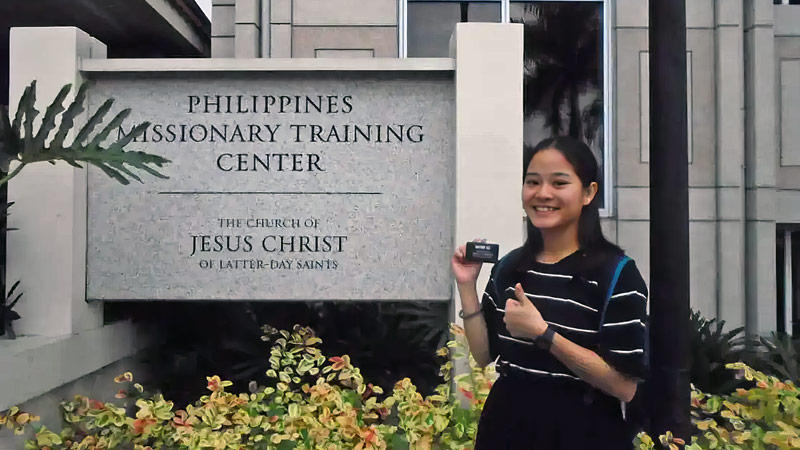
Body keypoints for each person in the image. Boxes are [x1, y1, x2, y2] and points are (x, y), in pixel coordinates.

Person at [451, 136, 649, 449]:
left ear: (588, 193)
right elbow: (483, 355)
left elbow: (623, 386)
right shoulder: (510, 267)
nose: (543, 194)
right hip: (507, 425)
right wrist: (466, 286)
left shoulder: (616, 274)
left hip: (583, 430)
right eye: (533, 182)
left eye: (559, 183)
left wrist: (543, 334)